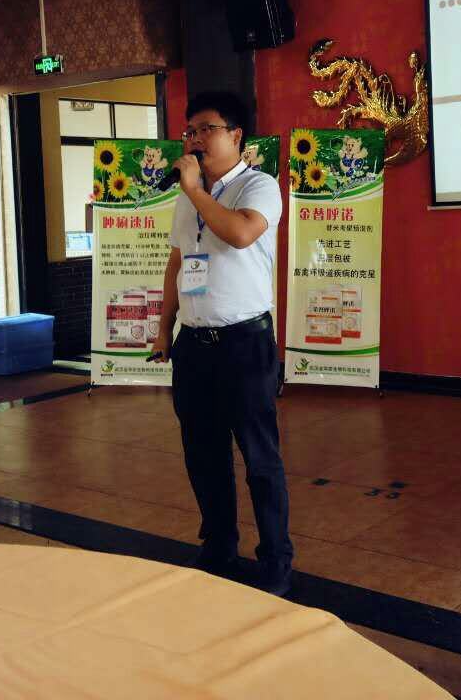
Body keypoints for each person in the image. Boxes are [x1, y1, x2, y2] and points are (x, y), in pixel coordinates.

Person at [148, 91, 293, 596]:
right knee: (203, 453)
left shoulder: (260, 186)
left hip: (244, 344)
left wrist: (195, 191)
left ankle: (276, 558)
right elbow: (177, 262)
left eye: (205, 129)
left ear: (236, 135)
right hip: (194, 346)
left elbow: (239, 234)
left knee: (259, 457)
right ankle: (219, 546)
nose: (194, 139)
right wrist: (164, 327)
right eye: (189, 131)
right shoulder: (187, 197)